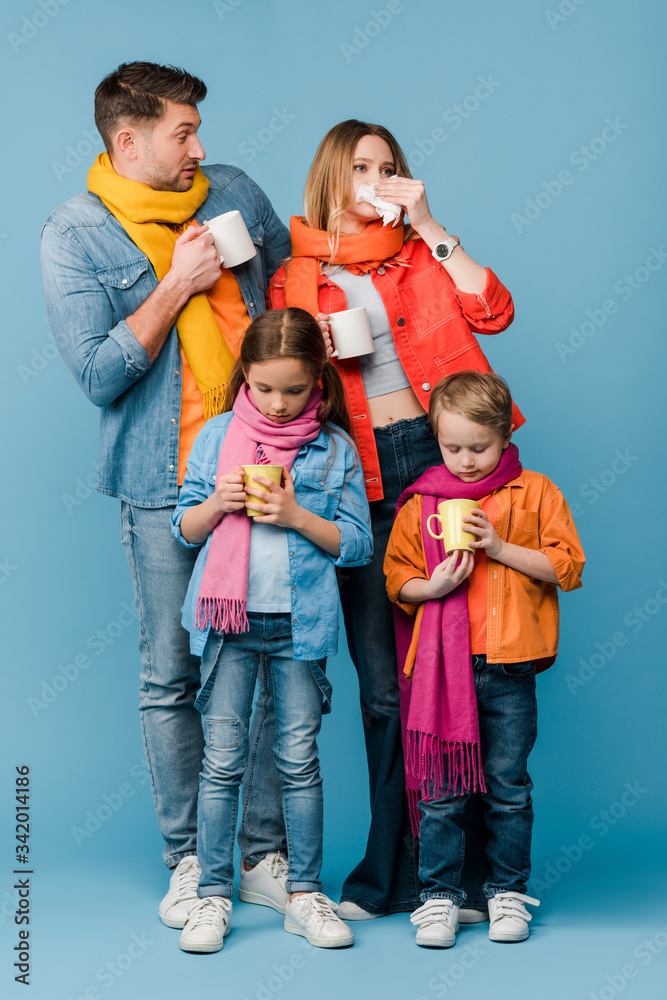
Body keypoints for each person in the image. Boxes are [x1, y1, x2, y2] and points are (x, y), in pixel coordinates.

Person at [40, 61, 292, 925]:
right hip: (161, 483)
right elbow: (101, 373)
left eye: (197, 129)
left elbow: (290, 298)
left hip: (266, 471)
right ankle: (190, 857)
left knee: (261, 659)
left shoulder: (233, 193)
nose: (200, 148)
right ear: (128, 139)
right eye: (183, 132)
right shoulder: (75, 234)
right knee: (171, 674)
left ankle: (258, 853)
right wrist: (179, 284)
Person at [269, 119, 522, 919]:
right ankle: (397, 878)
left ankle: (481, 879)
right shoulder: (293, 278)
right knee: (386, 687)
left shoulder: (420, 253)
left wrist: (433, 224)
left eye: (386, 167)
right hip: (359, 475)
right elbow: (279, 386)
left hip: (447, 465)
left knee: (468, 670)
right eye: (358, 167)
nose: (373, 179)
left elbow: (493, 311)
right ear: (330, 180)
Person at [170, 308, 372, 952]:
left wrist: (294, 515)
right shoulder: (218, 436)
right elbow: (184, 527)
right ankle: (212, 896)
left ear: (320, 381)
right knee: (222, 762)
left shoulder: (335, 448)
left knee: (298, 762)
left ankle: (305, 894)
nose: (279, 404)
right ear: (245, 379)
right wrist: (216, 504)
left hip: (300, 627)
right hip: (227, 628)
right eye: (264, 388)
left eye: (296, 389)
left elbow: (359, 545)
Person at [383, 371, 585, 947]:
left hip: (509, 668)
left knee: (508, 785)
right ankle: (438, 898)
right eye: (453, 448)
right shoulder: (422, 501)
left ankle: (507, 894)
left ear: (504, 436)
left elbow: (566, 568)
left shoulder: (537, 492)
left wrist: (497, 548)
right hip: (442, 673)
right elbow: (398, 579)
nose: (466, 461)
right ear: (437, 440)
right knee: (441, 788)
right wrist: (434, 587)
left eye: (480, 448)